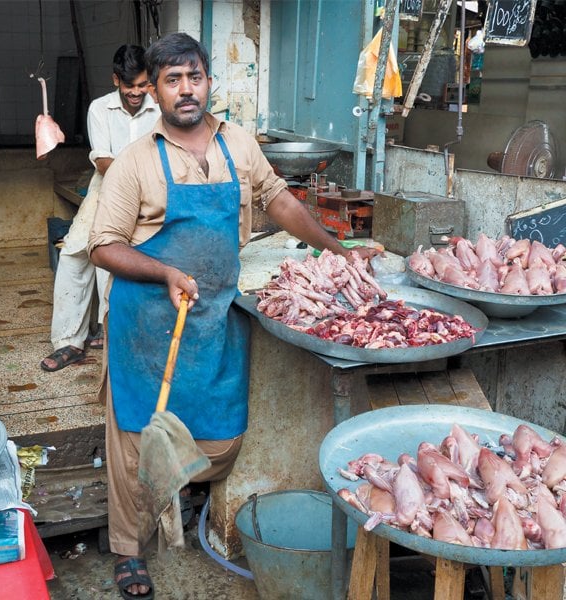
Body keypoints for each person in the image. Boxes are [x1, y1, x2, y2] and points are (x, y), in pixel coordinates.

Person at [88, 33, 379, 599]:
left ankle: (176, 491)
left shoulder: (237, 144)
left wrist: (337, 251)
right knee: (133, 443)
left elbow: (281, 201)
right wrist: (166, 273)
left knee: (221, 439)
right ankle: (128, 548)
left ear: (208, 82)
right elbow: (103, 245)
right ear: (156, 92)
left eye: (193, 76)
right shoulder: (137, 161)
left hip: (213, 317)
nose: (186, 89)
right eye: (172, 80)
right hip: (148, 326)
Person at [40, 45, 160, 371]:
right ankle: (69, 342)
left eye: (142, 85)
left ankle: (114, 336)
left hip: (152, 194)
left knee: (117, 261)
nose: (136, 93)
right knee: (74, 253)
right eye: (129, 86)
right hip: (105, 187)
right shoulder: (99, 108)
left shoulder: (160, 108)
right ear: (115, 79)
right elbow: (104, 159)